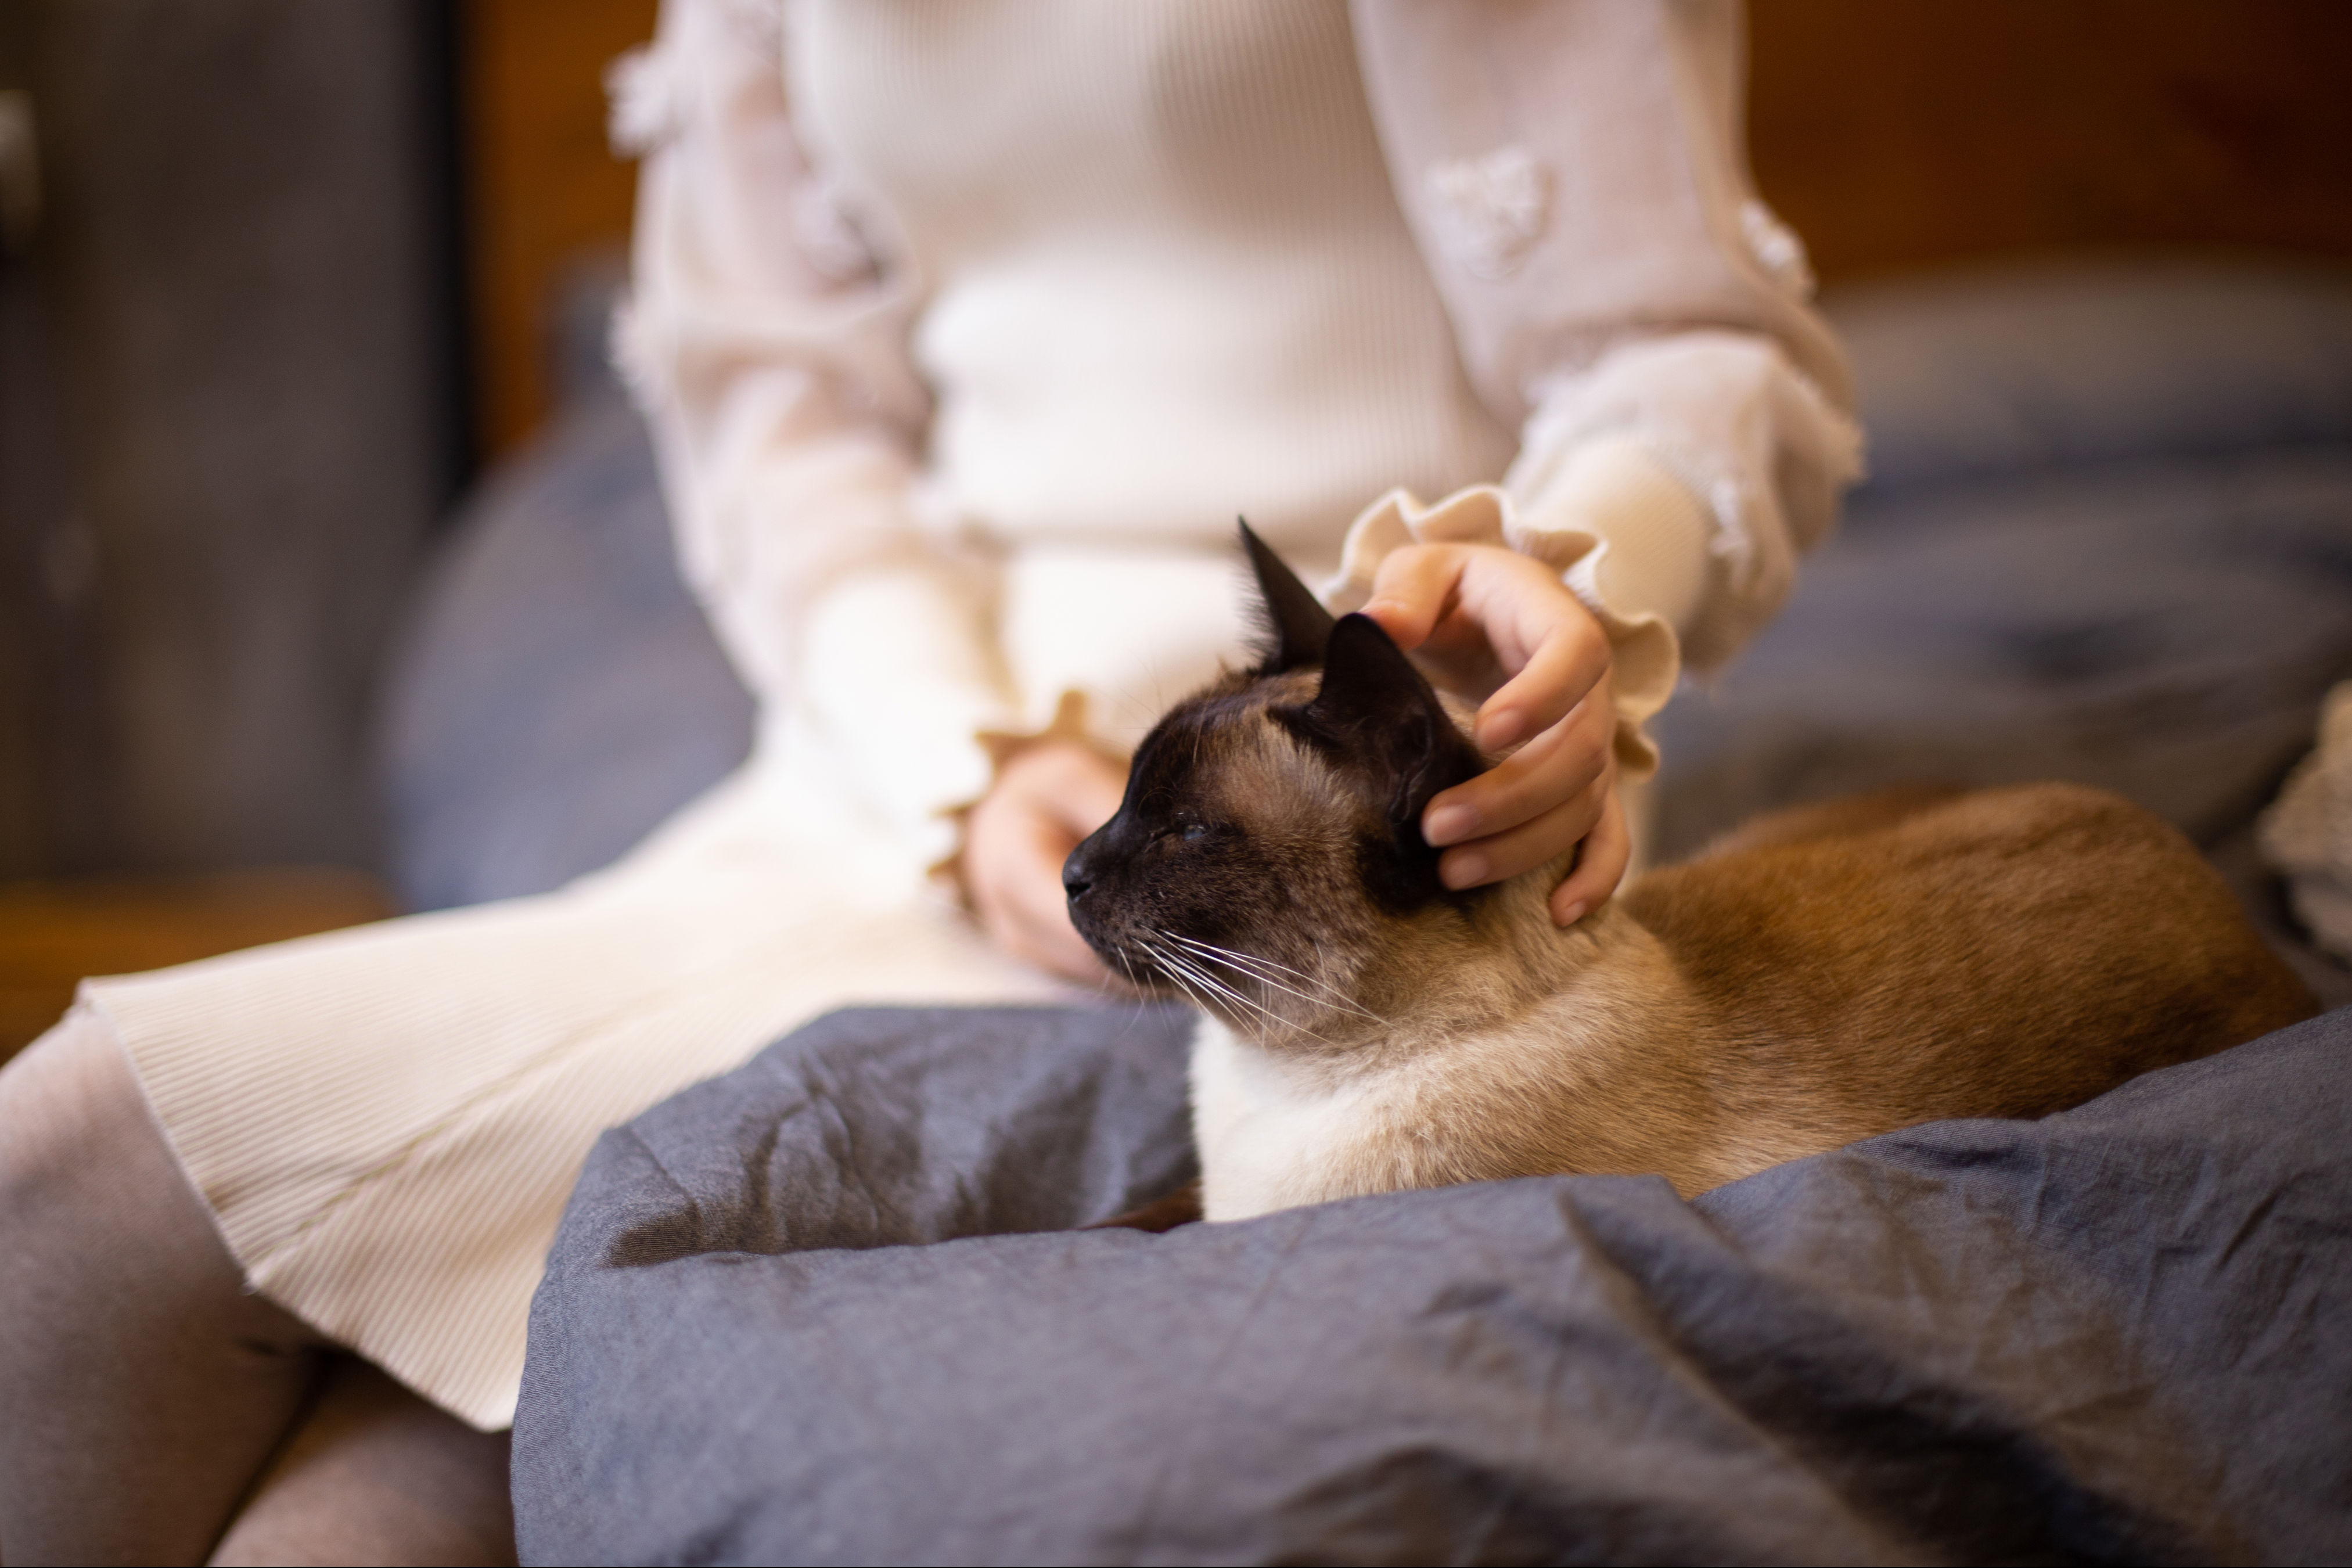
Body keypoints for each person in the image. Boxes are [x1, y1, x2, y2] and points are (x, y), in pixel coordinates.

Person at [0, 2, 1859, 1562]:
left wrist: (1563, 599)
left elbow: (1674, 354)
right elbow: (777, 411)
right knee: (78, 1160)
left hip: (1340, 863)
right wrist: (949, 764)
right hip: (893, 764)